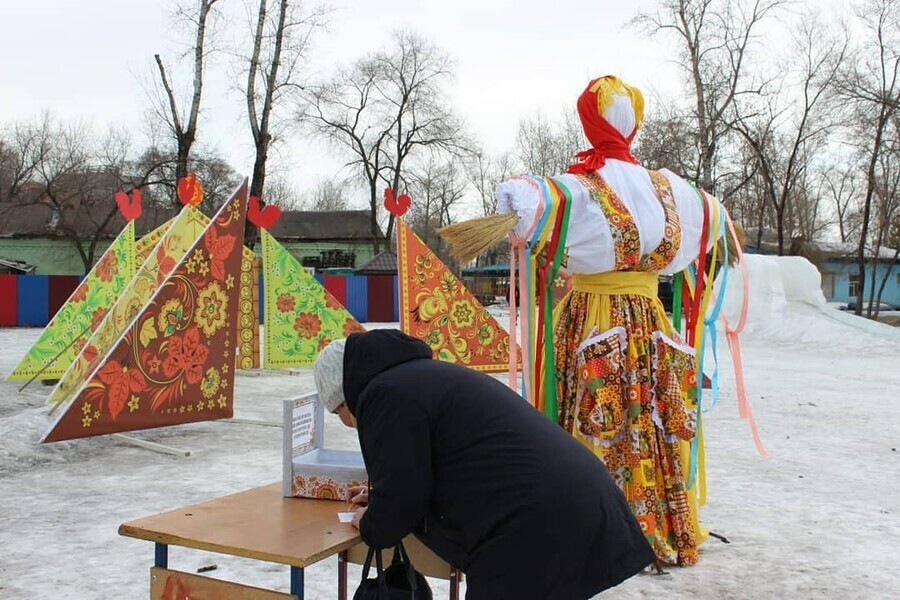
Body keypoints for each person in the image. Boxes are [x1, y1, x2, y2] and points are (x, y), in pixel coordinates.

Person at [491, 75, 732, 566]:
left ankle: (587, 526)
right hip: (649, 321)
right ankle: (654, 519)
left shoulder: (581, 188)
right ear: (633, 123)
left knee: (592, 417)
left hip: (591, 318)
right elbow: (712, 216)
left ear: (590, 120)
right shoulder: (669, 189)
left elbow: (530, 200)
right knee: (650, 415)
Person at [313, 329, 655, 600]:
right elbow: (434, 466)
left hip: (532, 523)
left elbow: (404, 496)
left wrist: (371, 522)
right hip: (572, 503)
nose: (347, 422)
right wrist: (381, 497)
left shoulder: (383, 396)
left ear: (345, 397)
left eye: (338, 413)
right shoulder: (417, 377)